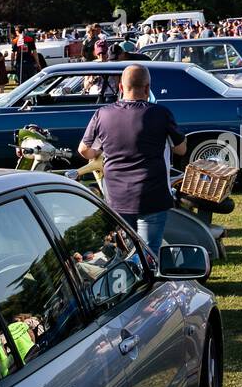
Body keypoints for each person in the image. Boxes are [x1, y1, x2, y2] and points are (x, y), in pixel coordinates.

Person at [78, 65, 186, 259]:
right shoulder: (161, 113)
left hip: (117, 195)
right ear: (147, 88)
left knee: (125, 250)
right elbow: (181, 149)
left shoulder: (103, 114)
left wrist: (99, 150)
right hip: (152, 193)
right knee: (150, 251)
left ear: (120, 87)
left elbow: (84, 150)